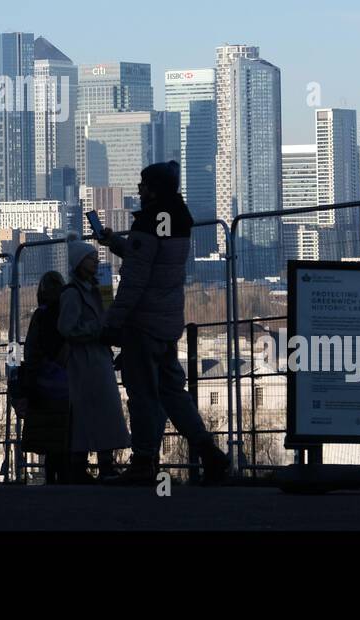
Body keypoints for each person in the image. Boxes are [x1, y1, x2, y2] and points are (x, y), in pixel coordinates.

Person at [99, 160, 230, 485]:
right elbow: (151, 258)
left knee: (143, 395)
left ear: (154, 190)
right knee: (174, 392)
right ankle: (210, 452)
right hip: (168, 320)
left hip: (142, 324)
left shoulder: (149, 221)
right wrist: (116, 243)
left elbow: (136, 279)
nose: (139, 190)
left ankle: (143, 464)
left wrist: (112, 323)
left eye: (144, 185)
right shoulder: (176, 218)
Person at [58, 237, 129, 483]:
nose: (95, 261)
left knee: (97, 412)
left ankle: (90, 464)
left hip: (94, 358)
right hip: (86, 360)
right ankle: (95, 464)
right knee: (95, 412)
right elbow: (67, 328)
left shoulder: (91, 290)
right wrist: (98, 326)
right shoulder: (72, 294)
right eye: (90, 258)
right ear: (79, 262)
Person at [18, 271, 73, 484]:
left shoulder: (39, 316)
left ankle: (50, 480)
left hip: (43, 385)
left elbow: (31, 351)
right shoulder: (65, 314)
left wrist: (29, 384)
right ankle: (66, 479)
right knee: (63, 437)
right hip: (65, 385)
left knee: (48, 441)